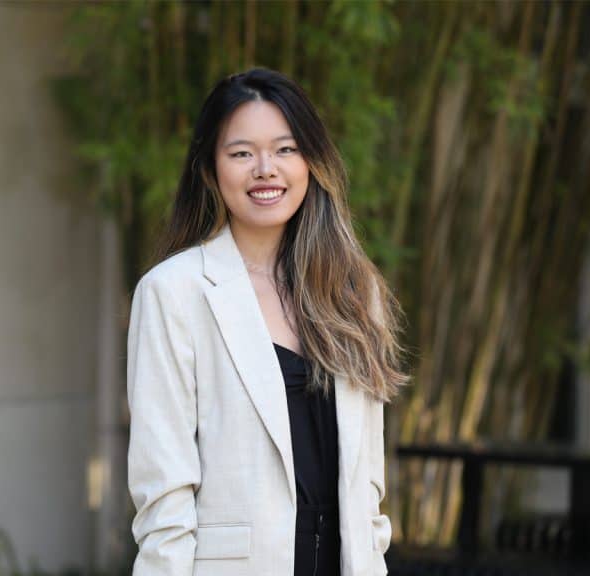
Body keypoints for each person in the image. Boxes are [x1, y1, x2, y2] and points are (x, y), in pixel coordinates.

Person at [126, 68, 410, 576]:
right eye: (241, 153)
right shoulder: (174, 294)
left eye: (285, 149)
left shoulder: (351, 290)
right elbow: (164, 500)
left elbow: (367, 487)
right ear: (211, 170)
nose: (265, 169)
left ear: (312, 162)